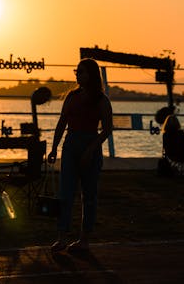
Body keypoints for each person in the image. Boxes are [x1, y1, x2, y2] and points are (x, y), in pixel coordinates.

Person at [48, 58, 113, 253]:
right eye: (77, 71)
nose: (77, 74)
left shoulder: (101, 100)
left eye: (81, 71)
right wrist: (54, 148)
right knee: (65, 193)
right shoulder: (71, 97)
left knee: (89, 195)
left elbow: (107, 128)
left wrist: (91, 150)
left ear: (91, 75)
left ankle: (84, 238)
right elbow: (62, 123)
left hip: (89, 146)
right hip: (70, 146)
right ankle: (62, 237)